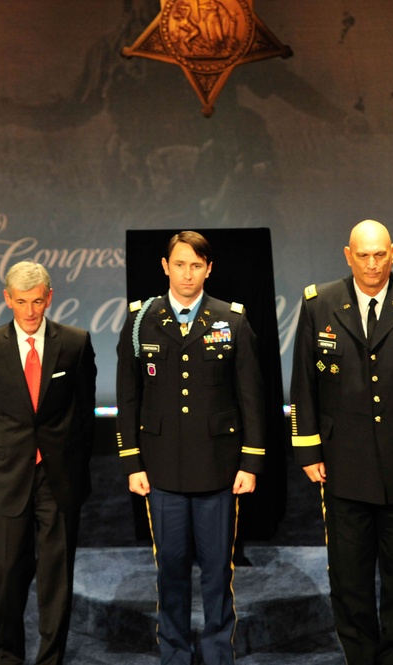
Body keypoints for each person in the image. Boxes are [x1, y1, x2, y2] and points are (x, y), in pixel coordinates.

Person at [289, 219, 393, 665]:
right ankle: (360, 657)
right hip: (342, 462)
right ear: (348, 255)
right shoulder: (319, 303)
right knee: (348, 575)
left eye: (380, 254)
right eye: (363, 255)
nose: (372, 264)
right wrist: (307, 447)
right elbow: (303, 384)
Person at [115, 230, 266, 665]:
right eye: (179, 264)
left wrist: (251, 460)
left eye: (196, 265)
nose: (187, 274)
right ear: (165, 266)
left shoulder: (231, 320)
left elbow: (251, 398)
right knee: (171, 571)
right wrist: (132, 462)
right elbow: (128, 396)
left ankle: (219, 652)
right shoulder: (141, 318)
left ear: (209, 269)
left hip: (219, 469)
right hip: (160, 470)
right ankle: (175, 653)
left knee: (219, 571)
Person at [0, 261, 97, 665]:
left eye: (37, 301)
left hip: (58, 476)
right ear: (7, 299)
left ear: (49, 298)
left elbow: (85, 412)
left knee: (57, 574)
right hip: (5, 473)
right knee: (4, 573)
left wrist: (77, 468)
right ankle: (6, 654)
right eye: (21, 302)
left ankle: (51, 657)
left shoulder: (74, 343)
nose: (30, 311)